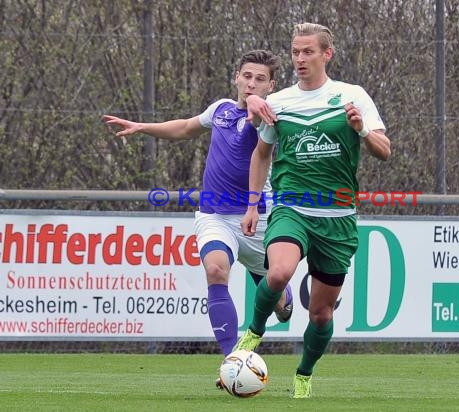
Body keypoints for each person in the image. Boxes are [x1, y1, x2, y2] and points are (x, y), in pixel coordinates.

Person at [102, 49, 294, 371]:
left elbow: (262, 122)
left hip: (256, 215)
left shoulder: (270, 116)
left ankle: (283, 301)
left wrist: (261, 109)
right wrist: (142, 127)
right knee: (216, 270)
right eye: (246, 76)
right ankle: (234, 361)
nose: (251, 84)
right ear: (236, 77)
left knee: (277, 296)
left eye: (260, 79)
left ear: (270, 86)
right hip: (215, 214)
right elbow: (186, 128)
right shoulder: (219, 109)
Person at [237, 24, 391, 398]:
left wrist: (361, 129)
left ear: (327, 54)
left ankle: (304, 374)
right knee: (279, 273)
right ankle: (253, 333)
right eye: (295, 52)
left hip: (337, 218)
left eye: (308, 52)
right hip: (292, 207)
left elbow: (384, 150)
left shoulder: (351, 96)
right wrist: (254, 203)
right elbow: (261, 154)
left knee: (321, 314)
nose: (300, 59)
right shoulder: (282, 102)